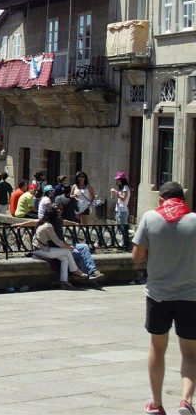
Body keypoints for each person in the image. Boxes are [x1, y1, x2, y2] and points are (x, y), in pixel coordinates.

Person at [132, 181, 196, 415]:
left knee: (157, 349)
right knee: (190, 352)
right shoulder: (195, 220)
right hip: (190, 296)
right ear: (184, 199)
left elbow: (137, 256)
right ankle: (186, 400)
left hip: (158, 295)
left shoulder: (150, 218)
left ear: (161, 199)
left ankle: (157, 403)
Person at [11, 203, 104, 282]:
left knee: (85, 247)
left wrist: (74, 223)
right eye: (57, 209)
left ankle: (92, 272)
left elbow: (65, 221)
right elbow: (35, 222)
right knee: (80, 254)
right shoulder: (49, 222)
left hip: (64, 245)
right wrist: (20, 224)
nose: (59, 210)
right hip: (57, 247)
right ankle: (87, 277)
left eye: (61, 209)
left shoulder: (59, 219)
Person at [31, 206, 88, 290]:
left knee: (64, 258)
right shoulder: (48, 226)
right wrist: (69, 247)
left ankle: (64, 282)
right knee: (67, 251)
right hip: (42, 250)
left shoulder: (42, 224)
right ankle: (75, 270)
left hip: (38, 249)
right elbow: (57, 242)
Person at [112, 171, 132, 250]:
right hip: (118, 209)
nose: (117, 181)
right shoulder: (121, 189)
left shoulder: (125, 188)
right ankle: (120, 242)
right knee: (119, 227)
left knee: (123, 227)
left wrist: (116, 193)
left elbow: (123, 198)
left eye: (118, 179)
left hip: (123, 210)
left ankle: (125, 243)